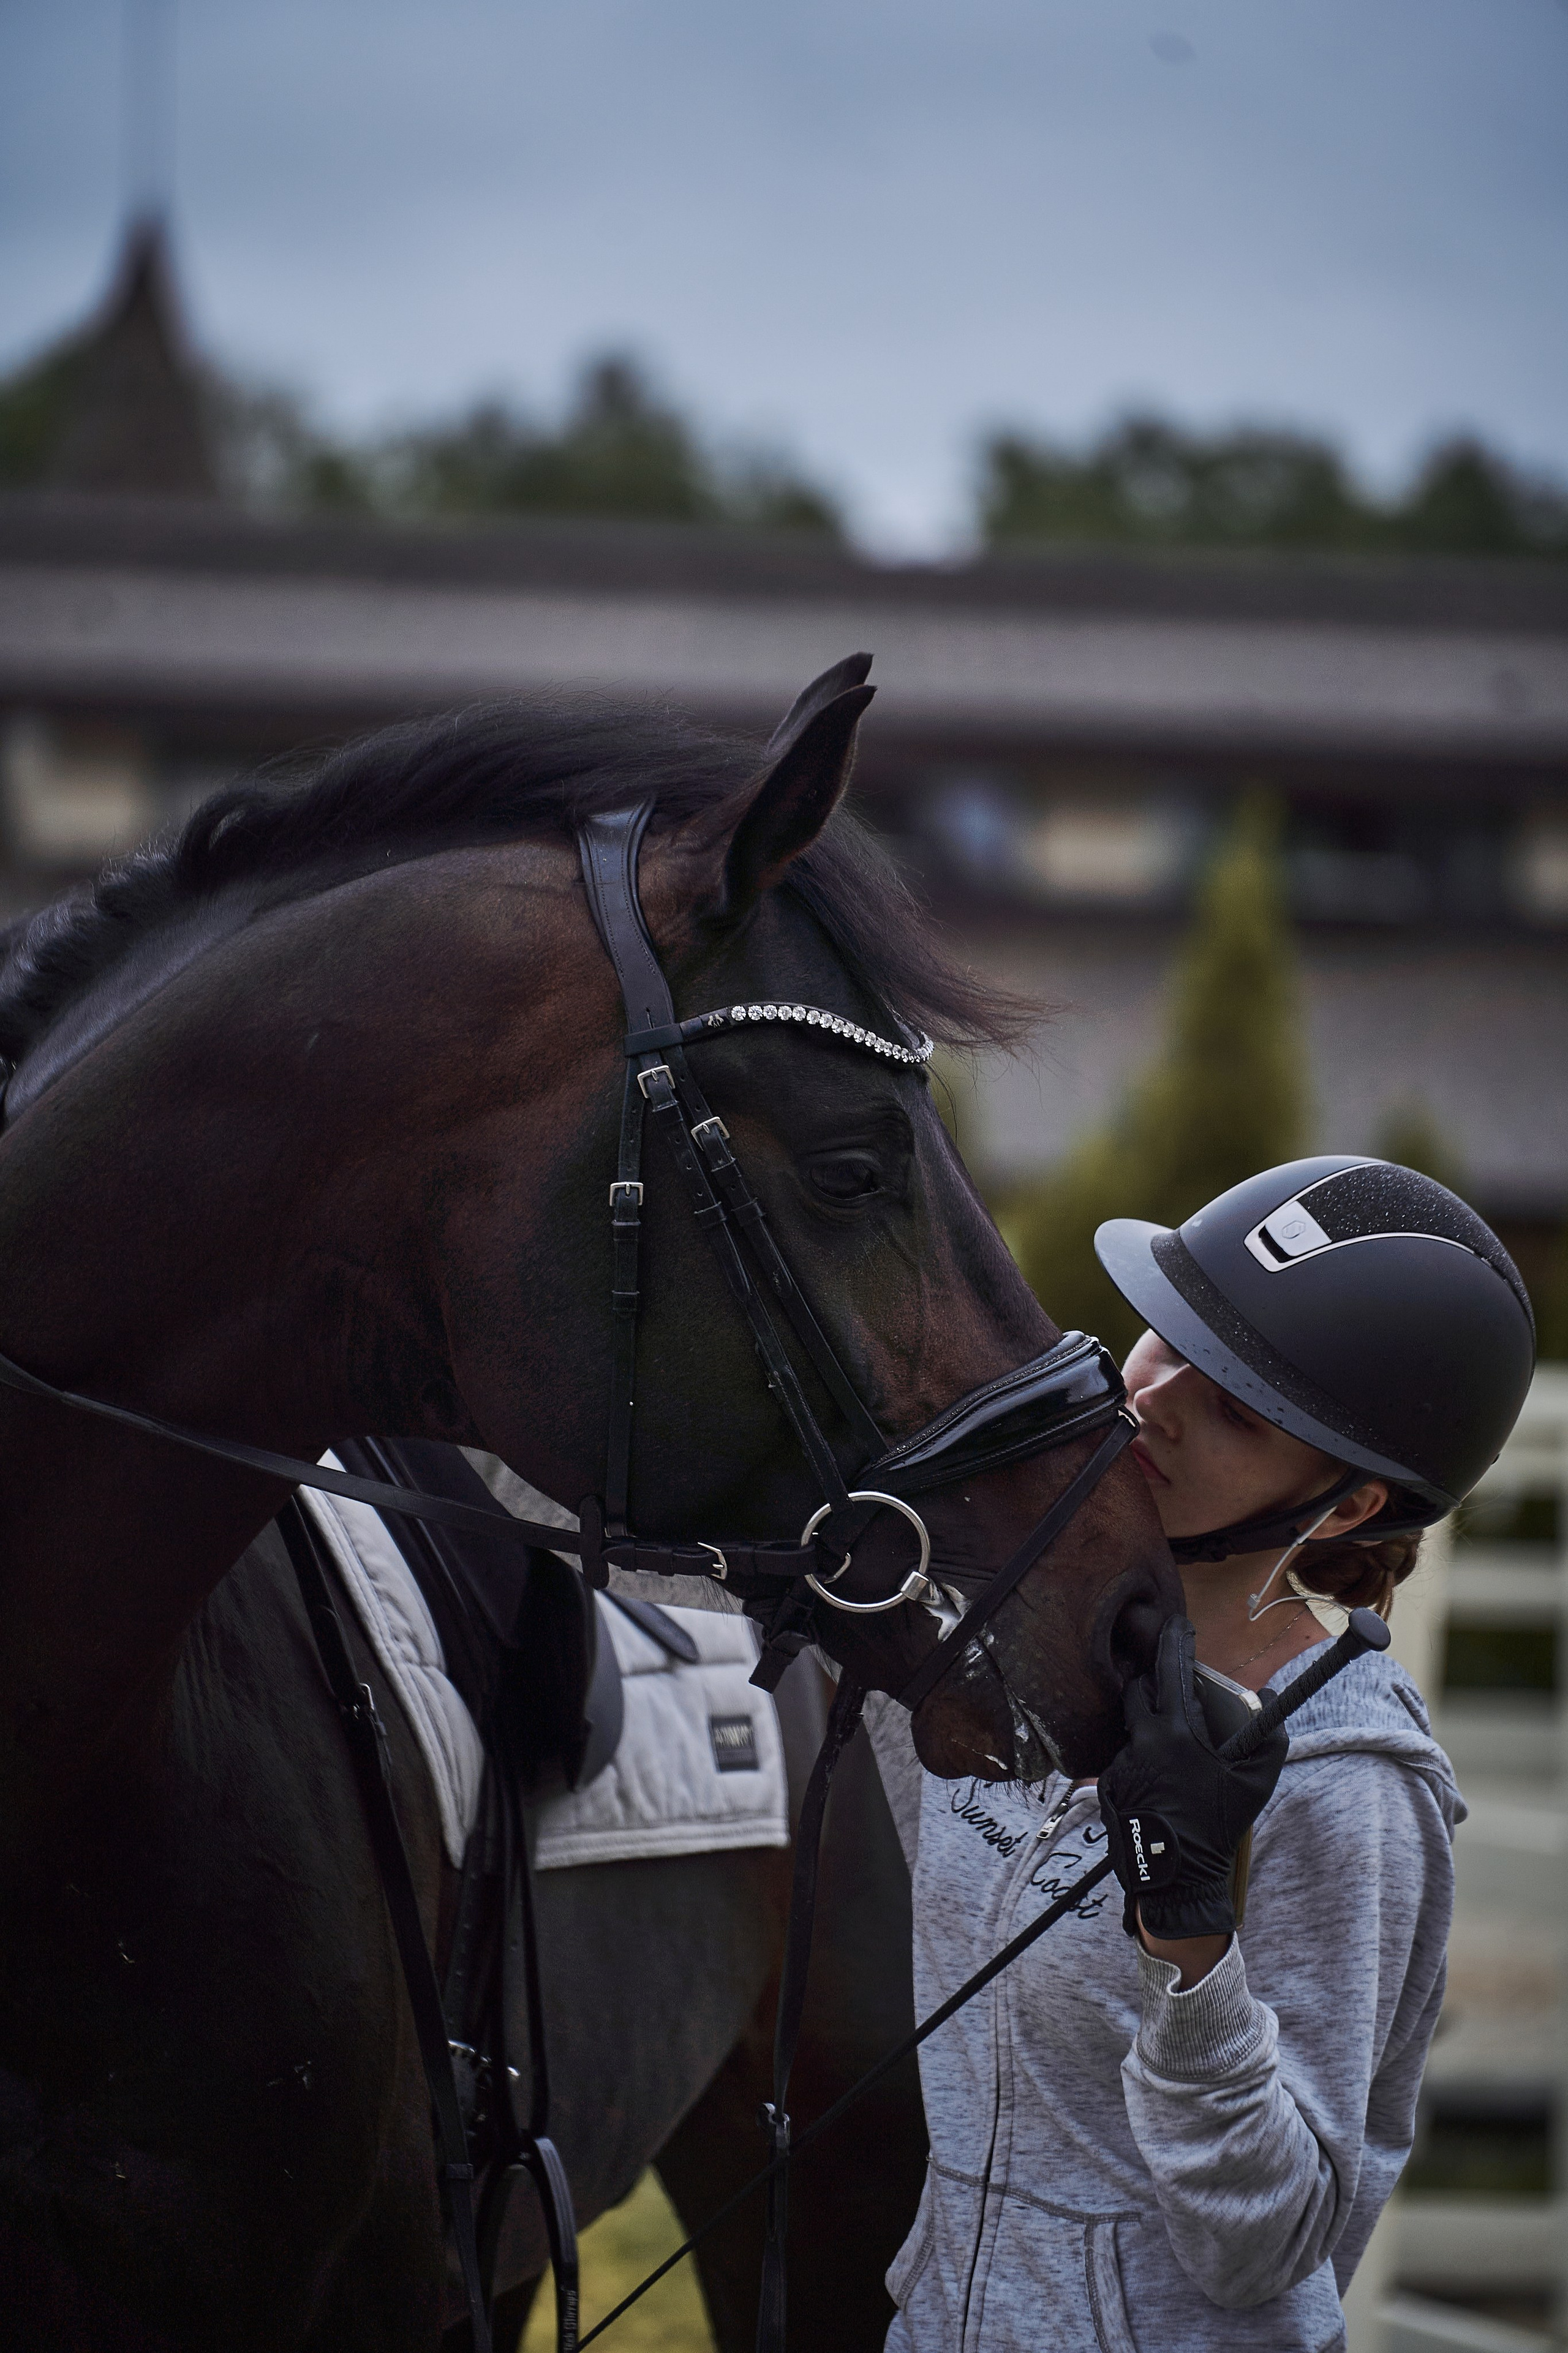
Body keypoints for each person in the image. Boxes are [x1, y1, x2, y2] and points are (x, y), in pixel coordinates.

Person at [865, 1155, 1536, 2353]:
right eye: (1160, 1336)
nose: (1149, 1398)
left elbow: (1264, 2248)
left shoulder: (1346, 1784)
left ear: (1342, 1508)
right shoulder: (1007, 1641)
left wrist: (1188, 1943)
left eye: (1227, 1405)